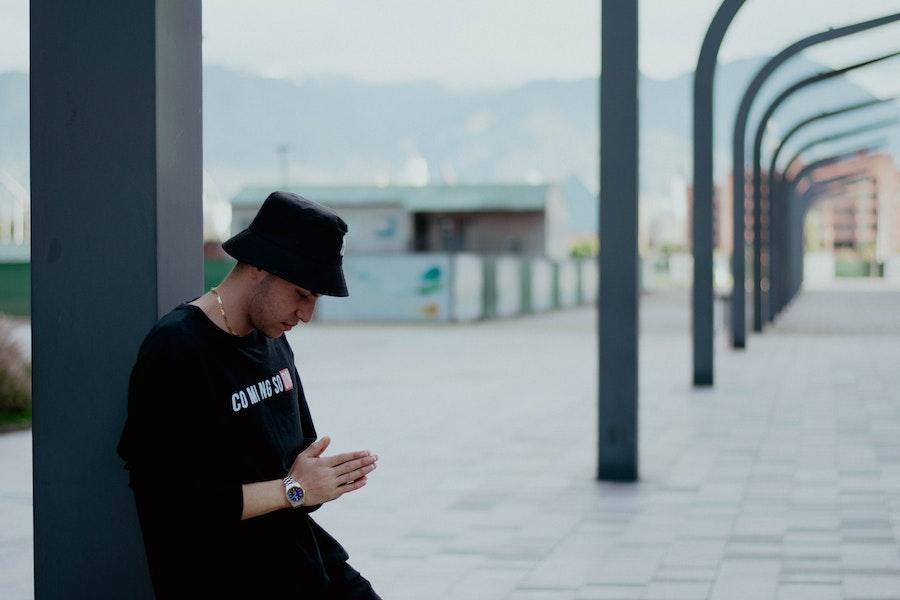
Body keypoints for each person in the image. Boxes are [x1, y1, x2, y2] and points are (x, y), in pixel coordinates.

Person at [116, 191, 381, 598]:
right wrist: (295, 491)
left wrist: (321, 481)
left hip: (306, 563)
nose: (306, 314)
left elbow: (294, 467)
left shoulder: (272, 339)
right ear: (259, 265)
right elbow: (171, 503)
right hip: (228, 578)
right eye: (301, 294)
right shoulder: (177, 348)